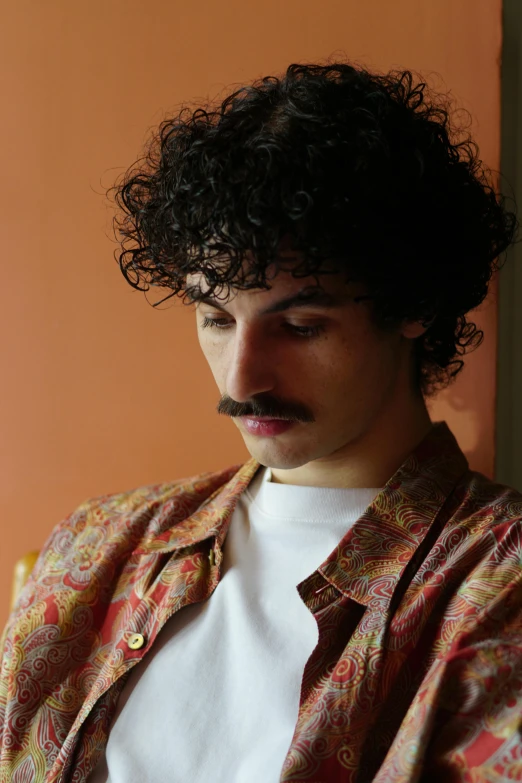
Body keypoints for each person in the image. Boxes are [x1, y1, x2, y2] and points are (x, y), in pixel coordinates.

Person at [0, 59, 520, 783]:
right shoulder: (95, 550)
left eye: (301, 325)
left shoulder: (499, 582)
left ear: (415, 307)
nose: (241, 378)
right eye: (215, 319)